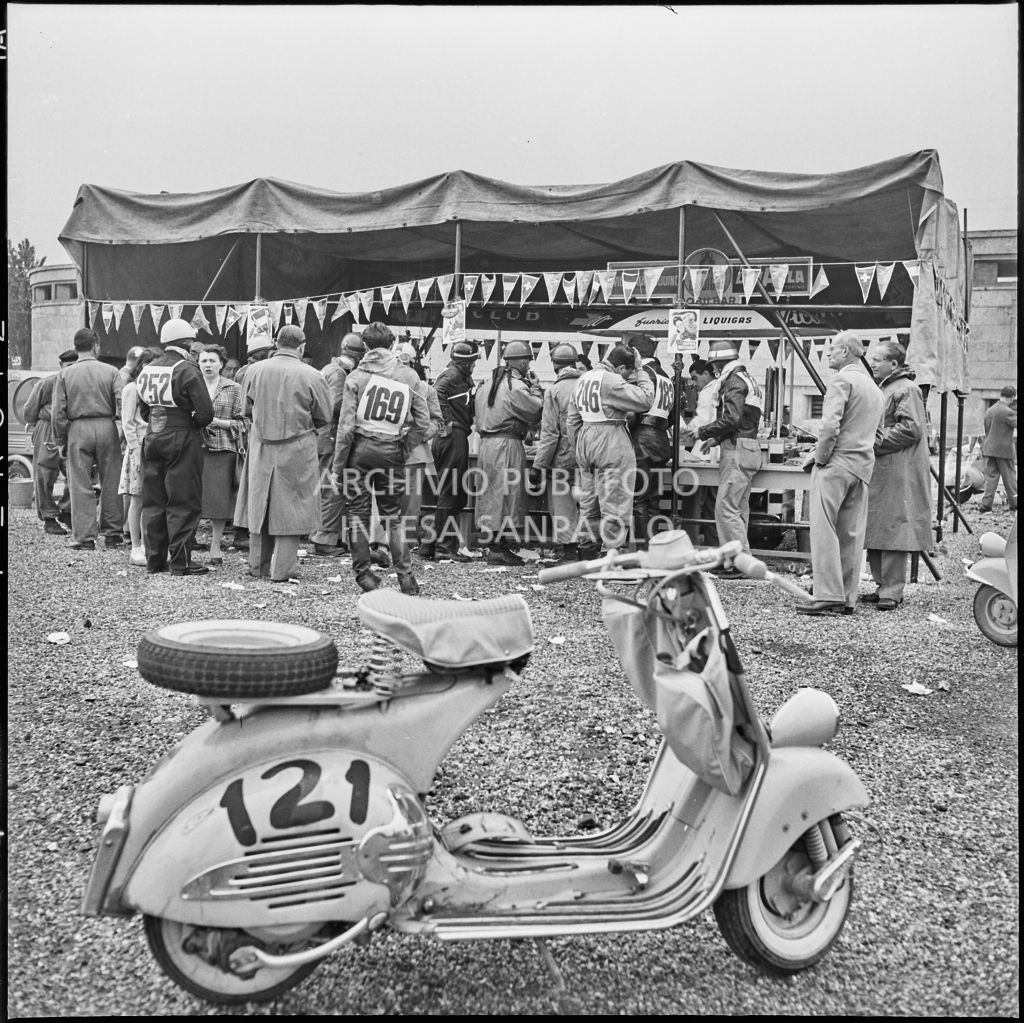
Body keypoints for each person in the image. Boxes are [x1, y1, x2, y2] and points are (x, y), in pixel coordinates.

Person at [332, 321, 430, 593]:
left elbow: (346, 428)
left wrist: (337, 466)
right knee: (393, 517)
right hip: (392, 450)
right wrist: (404, 447)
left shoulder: (355, 377)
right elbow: (422, 422)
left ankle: (363, 574)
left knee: (358, 515)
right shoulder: (408, 376)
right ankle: (406, 578)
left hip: (359, 452)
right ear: (391, 345)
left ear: (364, 346)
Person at [797, 332, 884, 616]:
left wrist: (819, 458)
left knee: (824, 531)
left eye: (832, 349)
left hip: (835, 464)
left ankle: (827, 594)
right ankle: (847, 597)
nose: (828, 354)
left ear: (846, 351)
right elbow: (879, 436)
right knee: (851, 534)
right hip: (862, 466)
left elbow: (830, 427)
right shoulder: (874, 387)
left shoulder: (840, 380)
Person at [236, 325, 332, 582]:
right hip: (297, 447)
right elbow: (325, 416)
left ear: (276, 344)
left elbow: (244, 408)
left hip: (261, 445)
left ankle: (257, 565)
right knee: (292, 506)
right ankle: (283, 570)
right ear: (301, 346)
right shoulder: (313, 375)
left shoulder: (252, 371)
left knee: (261, 504)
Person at [136, 319, 215, 575]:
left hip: (152, 436)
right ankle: (181, 562)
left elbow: (145, 410)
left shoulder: (147, 369)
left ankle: (155, 560)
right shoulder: (187, 369)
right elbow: (205, 413)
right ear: (187, 343)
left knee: (153, 500)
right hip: (181, 436)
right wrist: (188, 422)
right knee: (182, 499)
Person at [863, 340, 934, 610]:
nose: (872, 363)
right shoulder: (888, 387)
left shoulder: (907, 389)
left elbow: (911, 429)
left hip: (897, 468)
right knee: (878, 527)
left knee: (893, 528)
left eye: (877, 359)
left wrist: (873, 443)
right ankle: (883, 586)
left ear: (894, 364)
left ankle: (891, 590)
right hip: (884, 468)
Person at [568, 343, 655, 558]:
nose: (629, 376)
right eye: (629, 371)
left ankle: (586, 552)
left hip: (585, 438)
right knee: (615, 500)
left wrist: (579, 447)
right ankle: (611, 554)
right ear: (622, 367)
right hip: (610, 436)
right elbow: (646, 400)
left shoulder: (584, 378)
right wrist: (641, 371)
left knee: (590, 502)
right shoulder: (612, 380)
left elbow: (571, 420)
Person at [50, 328, 125, 551]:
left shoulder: (65, 374)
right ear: (96, 345)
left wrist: (61, 440)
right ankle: (113, 533)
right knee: (112, 481)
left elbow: (58, 412)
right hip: (106, 426)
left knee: (79, 482)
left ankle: (84, 537)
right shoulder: (112, 371)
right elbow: (122, 404)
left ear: (76, 348)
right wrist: (120, 431)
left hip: (78, 428)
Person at [696, 338, 764, 573]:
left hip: (736, 449)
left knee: (725, 508)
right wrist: (716, 438)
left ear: (717, 364)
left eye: (713, 366)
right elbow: (744, 420)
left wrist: (703, 432)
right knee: (738, 508)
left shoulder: (733, 381)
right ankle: (741, 561)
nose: (713, 370)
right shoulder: (747, 378)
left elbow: (732, 418)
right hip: (748, 445)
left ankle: (738, 563)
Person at [474, 339, 545, 565]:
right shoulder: (516, 385)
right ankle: (497, 547)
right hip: (506, 444)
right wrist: (535, 387)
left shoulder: (487, 383)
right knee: (505, 494)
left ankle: (495, 543)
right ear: (522, 362)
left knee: (490, 493)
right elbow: (536, 410)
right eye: (527, 362)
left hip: (486, 444)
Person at [419, 340, 479, 562]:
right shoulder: (452, 376)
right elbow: (437, 393)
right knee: (451, 493)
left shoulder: (458, 375)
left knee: (450, 492)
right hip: (453, 437)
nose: (474, 365)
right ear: (465, 363)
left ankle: (429, 545)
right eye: (472, 361)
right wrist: (448, 422)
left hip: (454, 436)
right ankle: (445, 546)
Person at [309, 331, 366, 556]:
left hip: (324, 437)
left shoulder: (331, 369)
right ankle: (324, 540)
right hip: (331, 437)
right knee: (334, 489)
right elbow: (334, 406)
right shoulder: (339, 374)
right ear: (359, 354)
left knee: (329, 488)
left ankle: (328, 535)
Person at [532, 342, 583, 563]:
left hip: (562, 457)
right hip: (588, 455)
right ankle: (589, 549)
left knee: (562, 504)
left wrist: (539, 465)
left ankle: (570, 550)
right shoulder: (588, 385)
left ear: (555, 366)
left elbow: (550, 434)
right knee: (588, 503)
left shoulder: (554, 391)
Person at [23, 348, 79, 535]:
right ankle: (48, 517)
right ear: (61, 366)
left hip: (71, 428)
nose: (71, 369)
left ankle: (67, 510)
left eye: (74, 366)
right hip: (47, 427)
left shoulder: (79, 384)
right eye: (68, 366)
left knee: (75, 473)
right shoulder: (47, 383)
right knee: (45, 473)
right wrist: (36, 424)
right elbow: (29, 410)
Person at [197, 344, 244, 566]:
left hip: (222, 448)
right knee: (191, 496)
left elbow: (243, 422)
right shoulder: (192, 385)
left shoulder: (233, 388)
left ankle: (215, 545)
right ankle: (188, 541)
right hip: (194, 447)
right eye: (204, 361)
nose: (207, 365)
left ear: (221, 364)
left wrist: (217, 422)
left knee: (218, 499)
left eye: (212, 361)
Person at [628, 334, 675, 549]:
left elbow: (633, 410)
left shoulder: (642, 374)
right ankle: (654, 547)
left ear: (635, 354)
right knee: (653, 499)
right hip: (661, 439)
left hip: (642, 439)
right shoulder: (667, 376)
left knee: (638, 498)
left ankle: (642, 552)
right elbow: (674, 417)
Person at [230, 334, 276, 550]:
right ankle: (242, 531)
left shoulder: (246, 371)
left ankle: (244, 529)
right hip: (252, 430)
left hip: (250, 428)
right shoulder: (252, 372)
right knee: (250, 483)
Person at [396, 340, 443, 550]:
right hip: (383, 451)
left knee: (410, 504)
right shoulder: (379, 383)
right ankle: (380, 545)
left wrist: (419, 434)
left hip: (414, 454)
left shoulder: (426, 389)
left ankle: (404, 544)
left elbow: (436, 421)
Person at [118, 346, 161, 566]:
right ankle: (135, 545)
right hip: (139, 448)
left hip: (155, 445)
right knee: (137, 498)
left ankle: (147, 543)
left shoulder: (156, 389)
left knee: (151, 499)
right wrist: (134, 451)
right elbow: (127, 423)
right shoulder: (132, 389)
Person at [679, 358, 720, 545]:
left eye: (695, 379)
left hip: (703, 450)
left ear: (706, 374)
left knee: (692, 501)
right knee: (714, 504)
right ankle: (713, 543)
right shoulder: (721, 387)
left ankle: (690, 540)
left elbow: (703, 421)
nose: (694, 384)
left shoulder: (706, 392)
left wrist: (687, 429)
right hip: (718, 451)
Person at [978, 385, 1017, 512]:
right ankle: (1015, 503)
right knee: (1010, 479)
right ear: (1011, 397)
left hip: (989, 449)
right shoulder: (1008, 412)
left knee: (991, 479)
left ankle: (986, 505)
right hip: (1004, 451)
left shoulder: (990, 410)